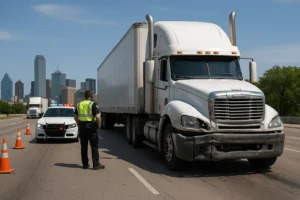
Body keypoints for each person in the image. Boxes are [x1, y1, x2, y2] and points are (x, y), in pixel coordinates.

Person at [74, 90, 105, 170]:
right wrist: (99, 125)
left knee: (83, 147)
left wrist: (78, 124)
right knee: (94, 146)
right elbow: (98, 117)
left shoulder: (79, 104)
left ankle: (85, 164)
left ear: (84, 96)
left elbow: (75, 117)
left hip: (82, 127)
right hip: (91, 128)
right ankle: (96, 164)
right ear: (91, 97)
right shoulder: (92, 104)